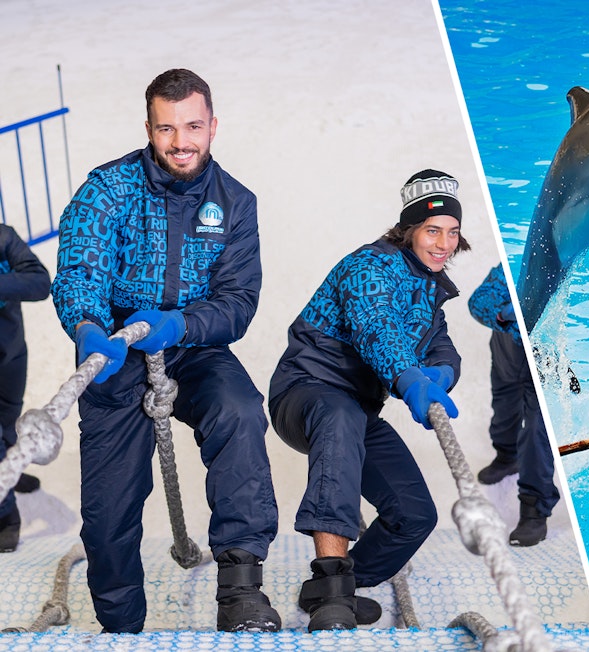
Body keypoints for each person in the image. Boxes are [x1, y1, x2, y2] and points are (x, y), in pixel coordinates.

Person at [50, 69, 280, 633]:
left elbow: (238, 301)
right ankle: (121, 626)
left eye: (193, 127)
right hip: (116, 347)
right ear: (149, 129)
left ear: (213, 126)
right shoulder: (106, 189)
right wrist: (88, 327)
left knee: (240, 412)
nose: (181, 142)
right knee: (109, 507)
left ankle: (241, 592)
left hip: (191, 343)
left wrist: (179, 324)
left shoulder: (235, 202)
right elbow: (80, 270)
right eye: (167, 128)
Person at [268, 169, 469, 632]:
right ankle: (331, 584)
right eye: (432, 230)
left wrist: (441, 373)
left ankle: (336, 587)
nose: (443, 243)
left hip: (356, 410)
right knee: (339, 417)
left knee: (414, 515)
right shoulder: (368, 267)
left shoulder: (429, 287)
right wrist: (408, 378)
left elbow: (441, 346)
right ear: (409, 229)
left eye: (452, 232)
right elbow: (376, 328)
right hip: (305, 391)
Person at [467, 263, 559, 546]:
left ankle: (534, 510)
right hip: (506, 350)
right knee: (503, 404)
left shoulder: (551, 271)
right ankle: (507, 456)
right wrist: (505, 315)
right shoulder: (509, 267)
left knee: (536, 430)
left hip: (540, 355)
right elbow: (477, 302)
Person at [0, 224, 52, 551]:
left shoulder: (4, 237)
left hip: (11, 354)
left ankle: (10, 468)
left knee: (8, 422)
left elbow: (40, 282)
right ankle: (6, 515)